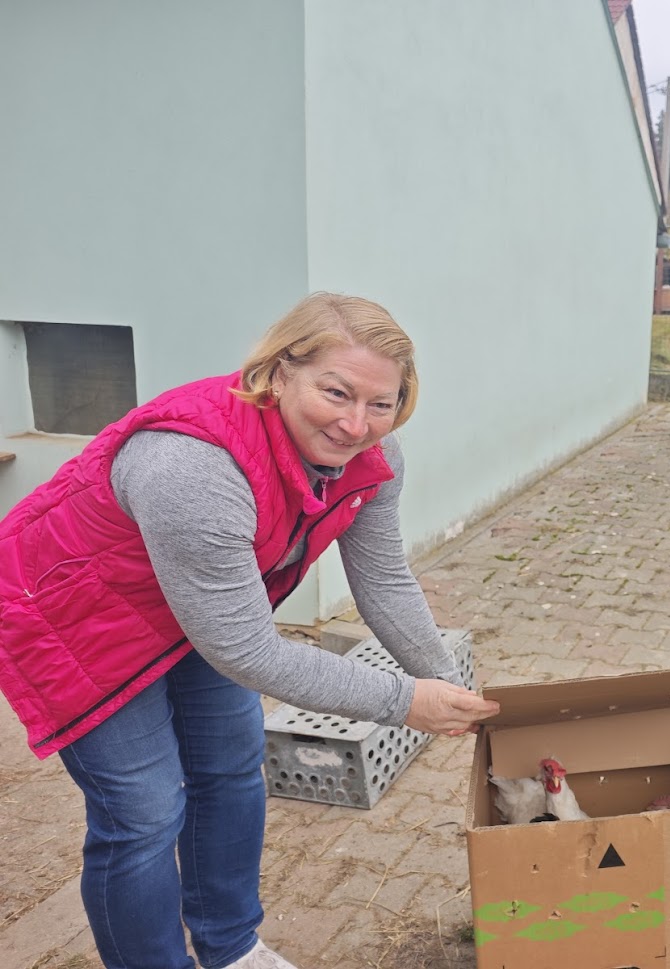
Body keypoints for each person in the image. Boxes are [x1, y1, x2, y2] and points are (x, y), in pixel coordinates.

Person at [0, 293, 501, 969]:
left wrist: (444, 676)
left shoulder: (372, 458)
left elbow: (381, 578)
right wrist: (404, 701)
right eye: (336, 392)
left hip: (201, 607)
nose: (356, 423)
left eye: (381, 403)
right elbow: (246, 649)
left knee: (233, 768)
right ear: (279, 372)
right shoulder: (195, 468)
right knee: (144, 813)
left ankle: (230, 944)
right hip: (77, 620)